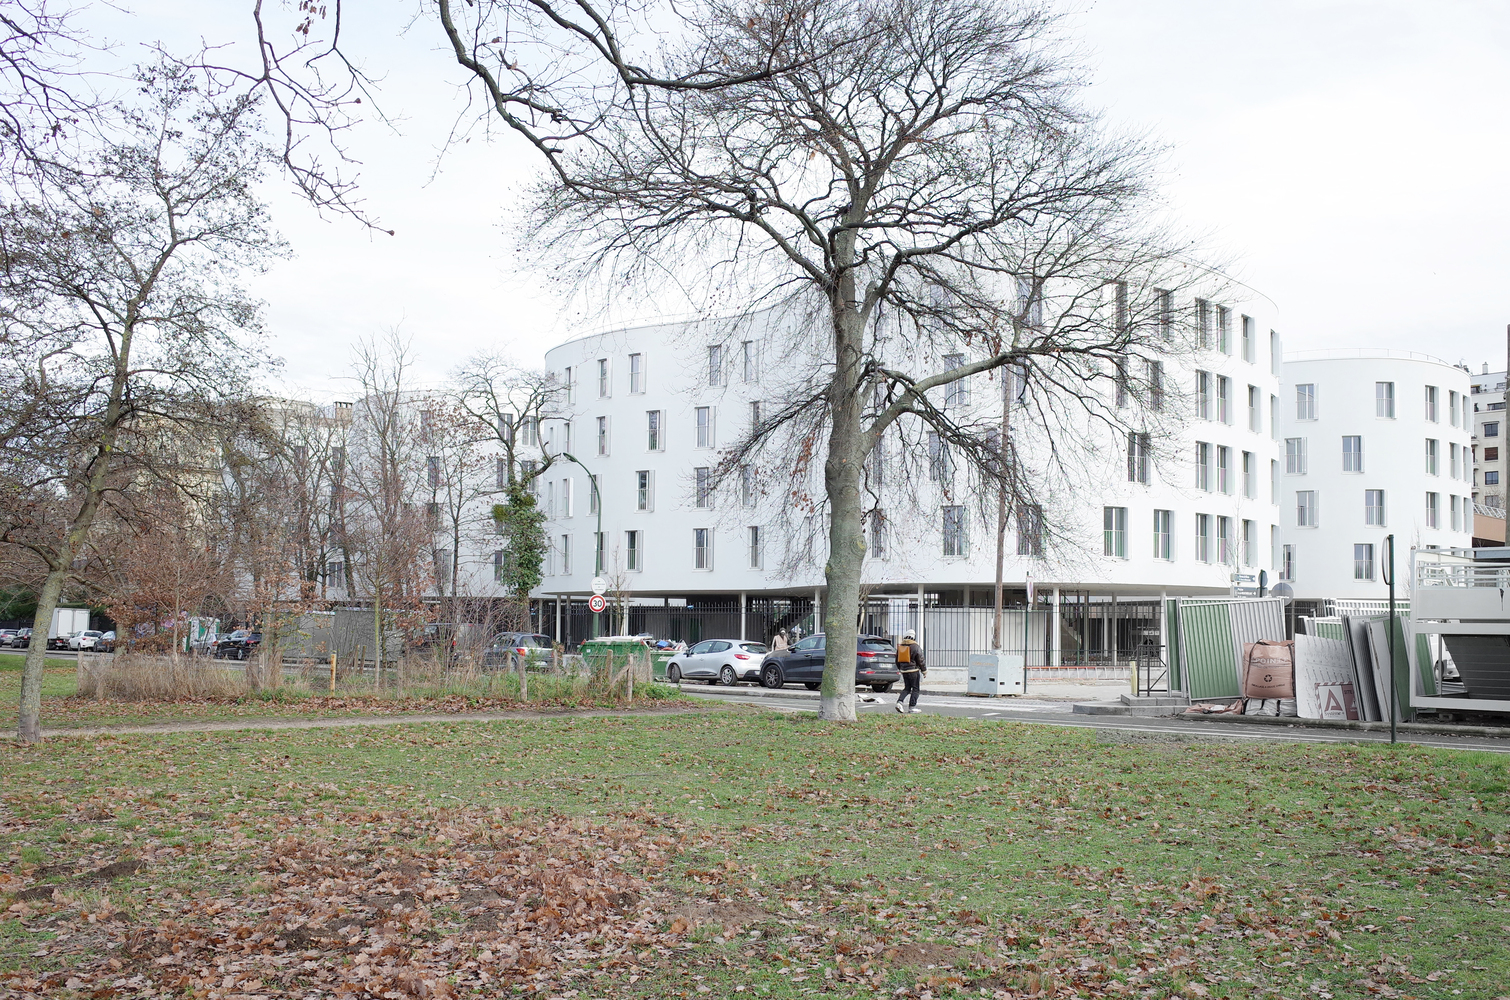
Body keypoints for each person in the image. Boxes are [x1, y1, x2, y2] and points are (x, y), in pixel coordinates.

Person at [895, 629, 925, 714]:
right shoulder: (915, 646)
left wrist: (901, 668)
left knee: (907, 688)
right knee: (915, 689)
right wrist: (924, 670)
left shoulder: (901, 646)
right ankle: (912, 707)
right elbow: (920, 659)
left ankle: (899, 702)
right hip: (913, 670)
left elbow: (897, 660)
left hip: (904, 671)